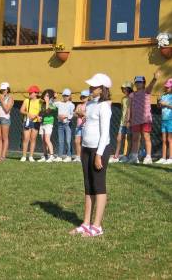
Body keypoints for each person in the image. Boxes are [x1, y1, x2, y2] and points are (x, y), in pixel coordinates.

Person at [69, 73, 112, 237]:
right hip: (86, 149)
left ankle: (97, 226)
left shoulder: (104, 107)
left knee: (98, 186)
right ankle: (86, 223)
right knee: (88, 186)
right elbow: (87, 120)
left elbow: (105, 133)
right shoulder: (91, 104)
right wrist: (79, 115)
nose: (91, 88)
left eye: (94, 86)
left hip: (98, 150)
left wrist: (99, 154)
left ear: (102, 89)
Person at [127, 71, 161, 164]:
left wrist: (155, 78)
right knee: (135, 138)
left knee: (146, 137)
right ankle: (134, 156)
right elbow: (129, 108)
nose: (138, 84)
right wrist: (128, 119)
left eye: (140, 82)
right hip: (135, 120)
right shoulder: (131, 95)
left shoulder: (147, 91)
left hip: (146, 119)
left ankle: (148, 157)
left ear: (143, 83)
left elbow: (151, 85)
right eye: (137, 82)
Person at [109, 81, 133, 163]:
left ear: (129, 89)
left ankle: (127, 155)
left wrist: (129, 120)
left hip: (130, 122)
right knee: (119, 138)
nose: (123, 90)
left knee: (129, 138)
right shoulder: (123, 99)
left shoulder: (132, 97)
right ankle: (116, 156)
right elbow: (123, 109)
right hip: (122, 122)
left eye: (125, 88)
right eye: (122, 88)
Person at [20, 85, 41, 162]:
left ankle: (31, 156)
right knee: (26, 139)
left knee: (33, 139)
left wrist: (37, 116)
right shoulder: (26, 101)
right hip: (27, 121)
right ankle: (24, 156)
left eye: (31, 93)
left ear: (36, 93)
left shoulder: (40, 102)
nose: (29, 94)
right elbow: (21, 110)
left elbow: (41, 111)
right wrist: (28, 114)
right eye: (29, 93)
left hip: (36, 122)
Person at [54, 89, 75, 162]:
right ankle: (59, 156)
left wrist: (65, 116)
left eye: (67, 95)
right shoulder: (59, 103)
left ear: (69, 96)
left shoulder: (71, 105)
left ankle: (69, 156)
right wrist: (55, 97)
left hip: (67, 124)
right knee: (60, 141)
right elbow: (52, 104)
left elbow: (72, 115)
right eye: (64, 95)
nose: (65, 97)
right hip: (60, 124)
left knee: (68, 140)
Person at [155, 78, 172, 164]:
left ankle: (171, 158)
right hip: (163, 120)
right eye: (166, 87)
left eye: (168, 87)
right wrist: (158, 102)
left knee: (170, 139)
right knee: (164, 139)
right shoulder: (164, 95)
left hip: (171, 120)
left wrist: (166, 104)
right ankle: (163, 157)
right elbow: (159, 107)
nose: (166, 88)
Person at [0, 82, 14, 161]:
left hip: (5, 119)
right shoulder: (1, 97)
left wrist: (2, 101)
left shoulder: (10, 98)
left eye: (4, 89)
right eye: (2, 90)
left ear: (8, 89)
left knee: (4, 138)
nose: (3, 91)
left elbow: (7, 110)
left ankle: (3, 156)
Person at [37, 89, 57, 163]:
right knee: (43, 141)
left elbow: (47, 111)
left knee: (47, 140)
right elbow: (41, 113)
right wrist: (38, 117)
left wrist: (48, 101)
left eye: (48, 96)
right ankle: (45, 156)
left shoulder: (52, 105)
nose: (45, 97)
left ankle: (51, 156)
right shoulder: (42, 104)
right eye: (45, 95)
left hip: (48, 124)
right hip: (42, 124)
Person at [73, 89, 90, 162]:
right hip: (78, 126)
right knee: (77, 141)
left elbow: (87, 115)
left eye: (85, 97)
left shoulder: (90, 105)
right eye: (82, 97)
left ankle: (85, 157)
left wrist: (81, 113)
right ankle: (78, 156)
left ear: (88, 97)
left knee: (85, 142)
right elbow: (75, 114)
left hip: (86, 126)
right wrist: (80, 113)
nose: (83, 98)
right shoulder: (79, 105)